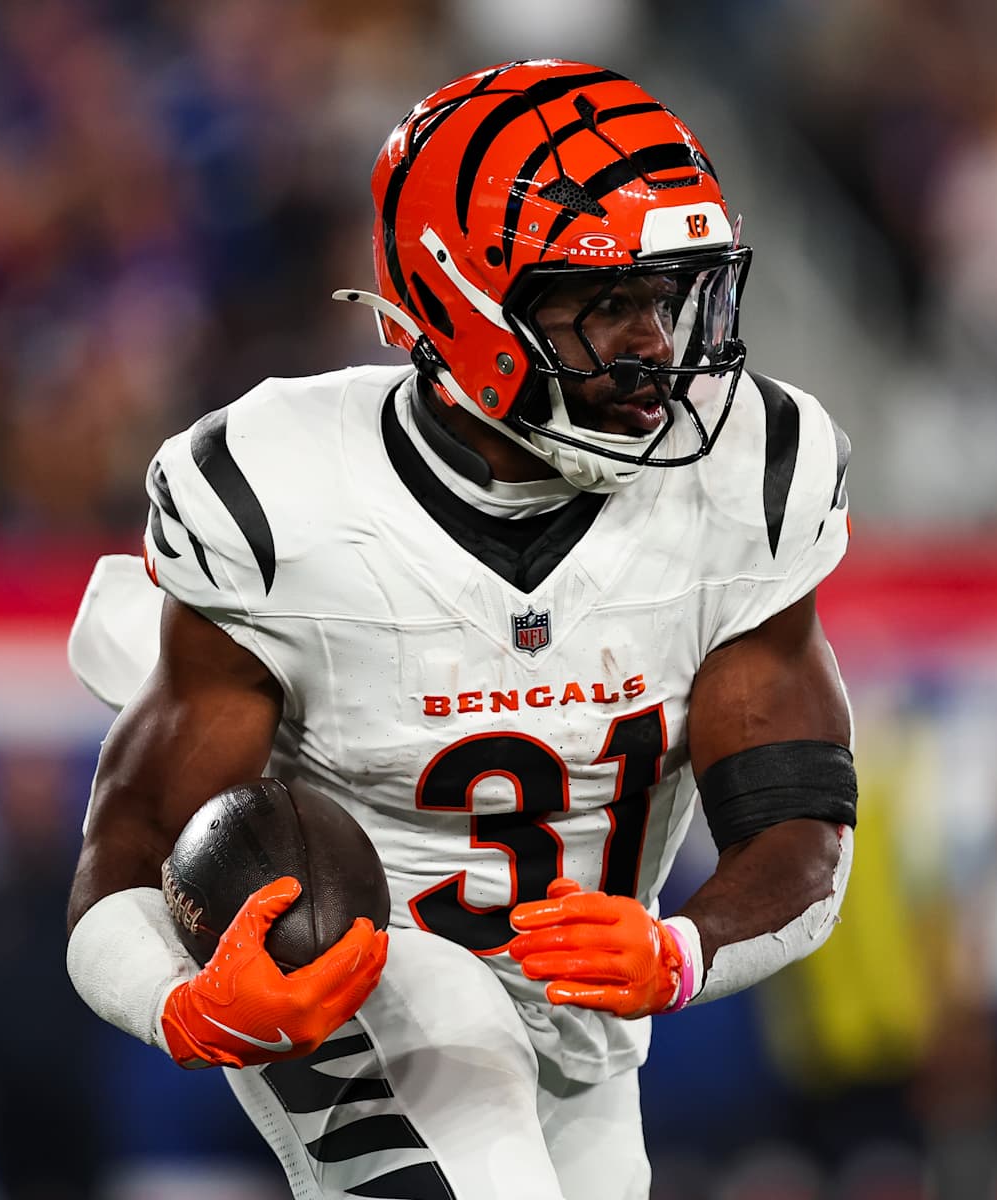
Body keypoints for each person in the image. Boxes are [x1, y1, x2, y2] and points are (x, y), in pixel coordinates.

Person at [62, 60, 858, 1200]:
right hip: (355, 972)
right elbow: (136, 829)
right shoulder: (284, 494)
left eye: (667, 295)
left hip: (584, 1025)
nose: (655, 343)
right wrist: (179, 1003)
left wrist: (680, 949)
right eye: (604, 302)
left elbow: (799, 832)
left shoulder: (749, 478)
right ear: (463, 304)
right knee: (453, 1021)